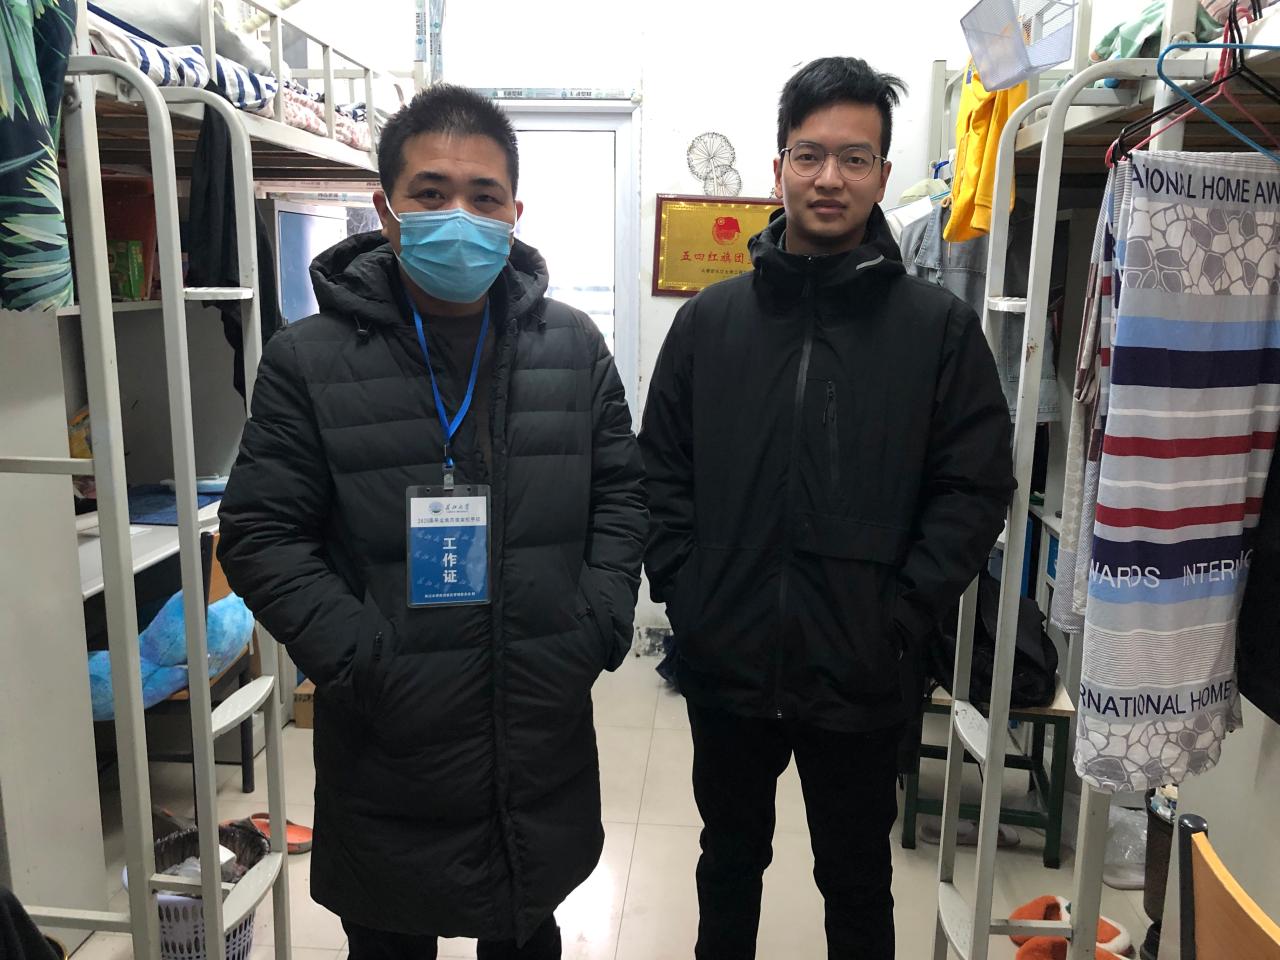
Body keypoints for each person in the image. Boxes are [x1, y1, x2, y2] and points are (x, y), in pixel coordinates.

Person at [218, 84, 646, 960]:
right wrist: (362, 658)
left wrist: (595, 622)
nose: (460, 216)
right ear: (386, 210)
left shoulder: (572, 347)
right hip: (389, 744)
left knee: (525, 929)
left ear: (515, 214)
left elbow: (623, 496)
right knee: (388, 941)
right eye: (431, 193)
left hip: (537, 726)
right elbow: (261, 533)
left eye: (484, 196)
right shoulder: (308, 360)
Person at [640, 57, 1015, 959]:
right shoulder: (710, 322)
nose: (829, 178)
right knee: (728, 860)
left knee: (856, 879)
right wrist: (688, 591)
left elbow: (974, 487)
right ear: (779, 168)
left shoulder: (935, 329)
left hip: (862, 669)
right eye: (809, 155)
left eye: (855, 158)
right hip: (728, 659)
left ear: (882, 175)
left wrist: (901, 617)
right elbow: (658, 471)